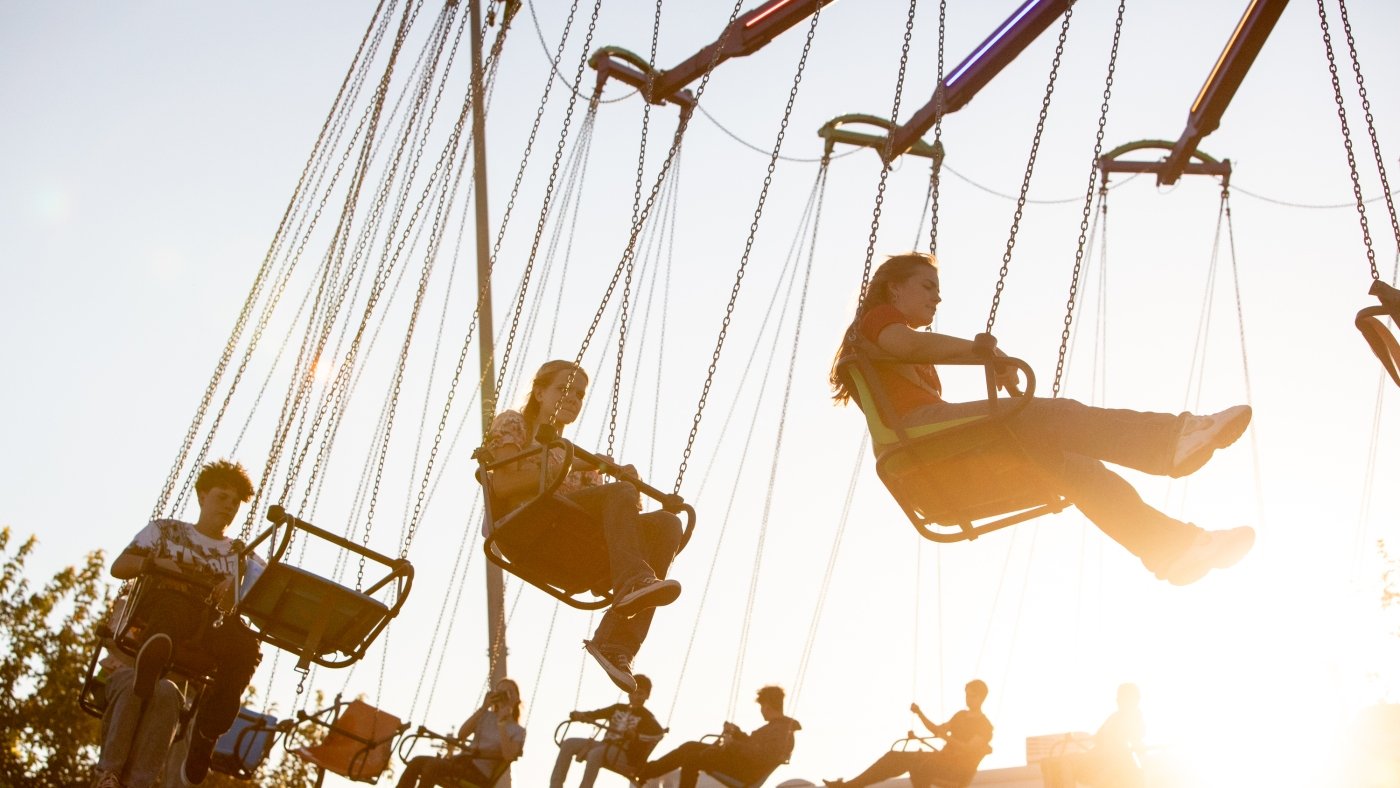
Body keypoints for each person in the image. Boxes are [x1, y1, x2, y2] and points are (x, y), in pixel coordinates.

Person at [830, 253, 1256, 585]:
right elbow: (907, 346)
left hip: (933, 457)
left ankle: (1175, 548)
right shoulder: (876, 320)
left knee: (1078, 466)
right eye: (926, 286)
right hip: (915, 441)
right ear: (892, 289)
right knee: (1049, 415)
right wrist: (985, 352)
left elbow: (910, 351)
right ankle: (1172, 439)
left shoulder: (887, 334)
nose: (936, 297)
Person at [482, 360, 684, 691]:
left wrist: (628, 484)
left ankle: (616, 643)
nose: (573, 397)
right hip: (527, 524)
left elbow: (616, 518)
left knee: (667, 524)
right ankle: (632, 584)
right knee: (620, 492)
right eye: (563, 389)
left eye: (579, 393)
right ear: (539, 392)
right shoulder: (517, 425)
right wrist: (568, 467)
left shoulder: (579, 459)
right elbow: (502, 484)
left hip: (572, 539)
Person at [109, 459, 265, 785]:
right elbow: (120, 566)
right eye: (223, 497)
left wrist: (237, 589)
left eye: (235, 503)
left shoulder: (240, 554)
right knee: (175, 602)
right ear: (203, 495)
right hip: (166, 612)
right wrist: (156, 561)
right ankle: (155, 656)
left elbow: (261, 591)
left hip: (211, 627)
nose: (229, 507)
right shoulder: (166, 531)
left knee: (244, 644)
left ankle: (207, 733)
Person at [823, 679, 994, 788]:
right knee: (895, 756)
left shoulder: (984, 726)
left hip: (956, 771)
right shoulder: (960, 715)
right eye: (967, 695)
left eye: (972, 696)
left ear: (980, 698)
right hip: (941, 761)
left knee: (919, 764)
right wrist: (920, 714)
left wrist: (946, 738)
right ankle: (851, 786)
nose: (968, 699)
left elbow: (969, 749)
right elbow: (938, 730)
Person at [89, 598, 187, 788]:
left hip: (162, 689)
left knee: (169, 692)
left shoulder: (196, 621)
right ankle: (108, 774)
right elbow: (112, 640)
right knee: (132, 682)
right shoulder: (137, 600)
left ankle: (137, 784)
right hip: (118, 678)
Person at [637, 685, 800, 788]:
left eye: (762, 706)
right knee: (690, 746)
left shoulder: (783, 731)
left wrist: (733, 744)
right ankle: (647, 771)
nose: (761, 710)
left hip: (744, 774)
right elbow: (752, 746)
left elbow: (761, 755)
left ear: (767, 705)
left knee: (693, 759)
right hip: (740, 764)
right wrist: (737, 733)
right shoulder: (775, 728)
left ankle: (645, 772)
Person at [396, 678, 526, 787]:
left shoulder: (517, 731)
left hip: (479, 773)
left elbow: (509, 756)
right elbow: (461, 734)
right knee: (416, 762)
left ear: (516, 699)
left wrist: (502, 723)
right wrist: (483, 708)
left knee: (432, 766)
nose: (504, 695)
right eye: (500, 692)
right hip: (461, 763)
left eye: (508, 692)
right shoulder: (485, 716)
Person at [551, 674, 665, 787]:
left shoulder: (648, 718)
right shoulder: (618, 708)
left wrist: (636, 736)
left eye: (640, 693)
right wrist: (581, 715)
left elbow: (659, 734)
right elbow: (596, 714)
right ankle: (555, 785)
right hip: (604, 746)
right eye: (633, 692)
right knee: (569, 743)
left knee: (595, 754)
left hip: (624, 755)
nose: (635, 697)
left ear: (647, 696)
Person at [1040, 683, 1146, 788]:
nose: (1118, 701)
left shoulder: (1135, 716)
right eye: (1119, 698)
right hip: (1100, 757)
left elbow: (1133, 739)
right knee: (1061, 762)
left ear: (1134, 700)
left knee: (1069, 762)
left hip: (1114, 762)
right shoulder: (1114, 717)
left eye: (1124, 697)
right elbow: (1098, 738)